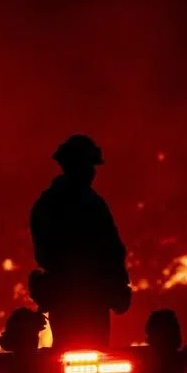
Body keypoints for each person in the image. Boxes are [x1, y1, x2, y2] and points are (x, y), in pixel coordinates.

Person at [29, 134, 131, 349]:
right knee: (88, 359)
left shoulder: (49, 203)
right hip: (86, 296)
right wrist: (115, 284)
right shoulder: (90, 205)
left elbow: (112, 249)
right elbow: (111, 250)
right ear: (76, 166)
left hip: (71, 296)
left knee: (74, 358)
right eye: (89, 165)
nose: (93, 172)